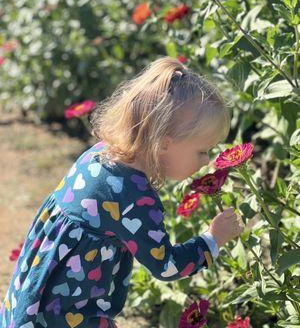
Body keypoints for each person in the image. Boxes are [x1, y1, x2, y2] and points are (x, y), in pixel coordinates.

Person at [0, 57, 244, 328]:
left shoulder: (99, 155)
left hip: (39, 293)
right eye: (202, 151)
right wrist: (212, 239)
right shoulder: (135, 199)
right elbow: (166, 265)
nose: (206, 160)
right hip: (71, 308)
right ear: (164, 144)